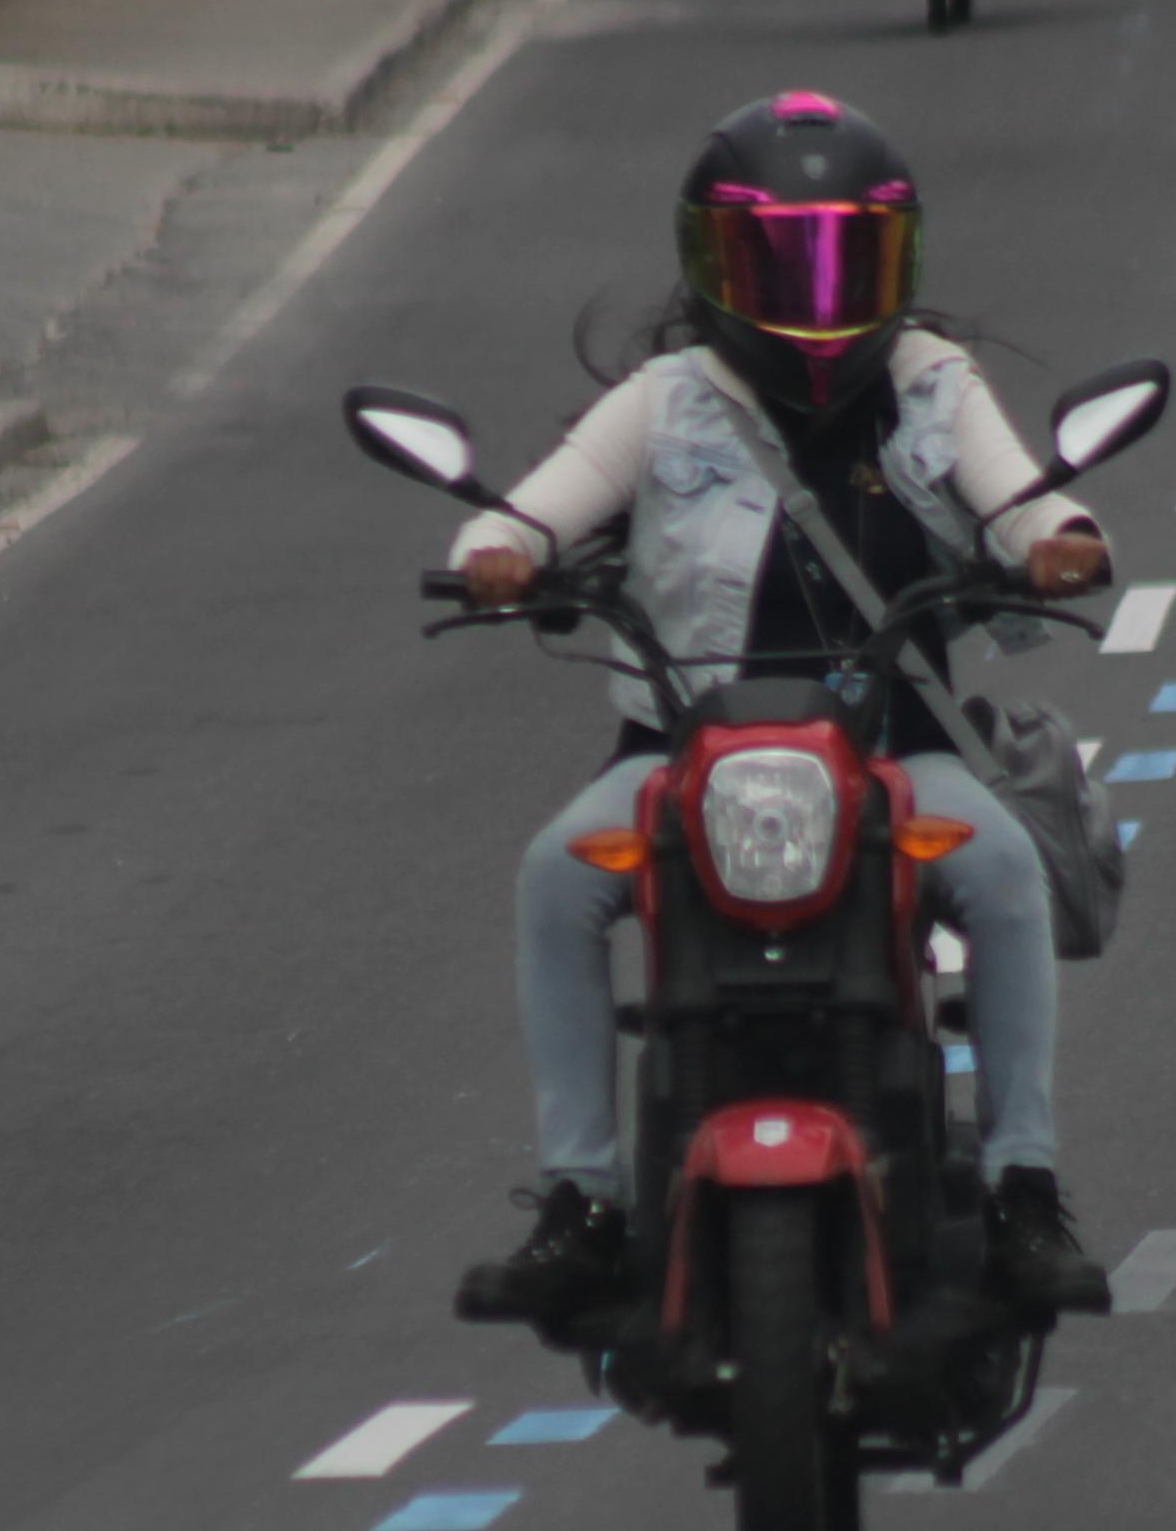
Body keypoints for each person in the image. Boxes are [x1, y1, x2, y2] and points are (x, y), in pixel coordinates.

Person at [446, 93, 1117, 1330]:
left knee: (1009, 872)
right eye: (781, 261)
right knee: (554, 875)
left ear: (897, 261)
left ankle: (1025, 1186)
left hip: (896, 747)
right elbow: (526, 512)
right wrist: (500, 553)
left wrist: (1059, 539)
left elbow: (1022, 497)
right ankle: (580, 1197)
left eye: (847, 259)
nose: (817, 298)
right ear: (714, 263)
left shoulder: (932, 382)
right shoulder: (662, 400)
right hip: (680, 751)